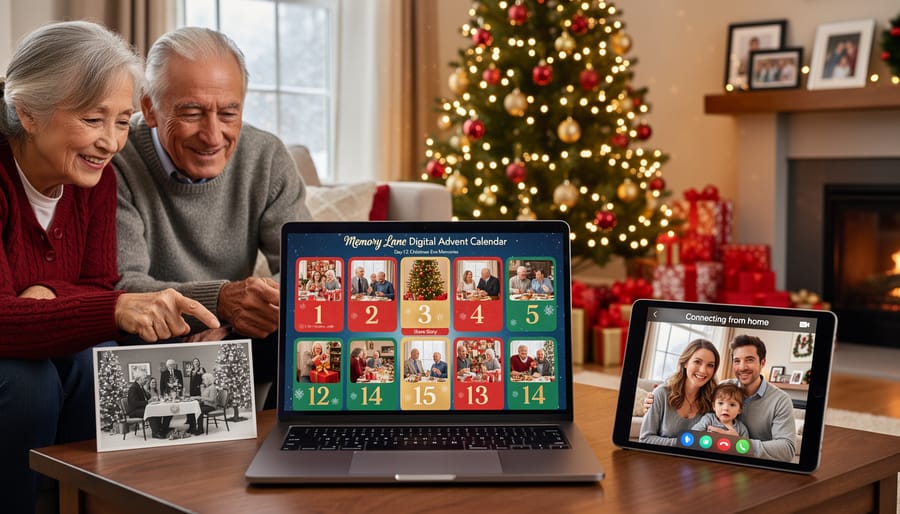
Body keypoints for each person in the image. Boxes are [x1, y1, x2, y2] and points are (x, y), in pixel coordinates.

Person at [0, 21, 219, 513]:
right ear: (27, 114)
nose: (111, 142)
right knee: (27, 384)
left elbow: (94, 285)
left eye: (122, 122)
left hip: (40, 341)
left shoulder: (96, 181)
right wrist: (105, 306)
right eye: (93, 119)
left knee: (93, 362)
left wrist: (47, 294)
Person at [113, 27, 312, 411]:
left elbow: (308, 269)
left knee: (301, 335)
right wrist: (218, 304)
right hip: (150, 333)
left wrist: (236, 322)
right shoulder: (118, 159)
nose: (213, 135)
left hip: (236, 331)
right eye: (191, 112)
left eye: (228, 113)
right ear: (150, 108)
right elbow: (124, 285)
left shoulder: (266, 156)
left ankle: (285, 456)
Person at [726, 334, 796, 461]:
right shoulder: (723, 388)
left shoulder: (781, 400)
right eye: (737, 361)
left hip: (758, 469)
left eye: (749, 360)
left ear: (762, 363)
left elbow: (787, 449)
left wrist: (741, 444)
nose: (742, 367)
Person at [639, 339, 720, 446]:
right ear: (685, 362)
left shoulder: (714, 402)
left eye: (710, 365)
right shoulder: (661, 394)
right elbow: (645, 439)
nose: (703, 370)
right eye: (697, 362)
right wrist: (685, 443)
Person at [126, 369, 170, 440]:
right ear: (139, 379)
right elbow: (134, 403)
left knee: (157, 409)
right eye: (144, 378)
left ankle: (161, 429)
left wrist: (152, 399)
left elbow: (146, 398)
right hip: (134, 411)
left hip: (140, 408)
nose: (146, 380)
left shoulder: (140, 387)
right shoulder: (133, 388)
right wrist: (148, 402)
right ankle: (155, 433)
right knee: (152, 412)